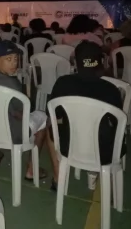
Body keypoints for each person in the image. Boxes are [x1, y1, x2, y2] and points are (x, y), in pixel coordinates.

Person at [47, 40, 125, 191]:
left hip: (68, 145)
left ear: (76, 62)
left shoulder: (62, 83)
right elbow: (116, 124)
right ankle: (102, 180)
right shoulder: (111, 89)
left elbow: (53, 116)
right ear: (100, 62)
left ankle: (58, 178)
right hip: (103, 150)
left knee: (50, 124)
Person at [0, 41, 48, 179]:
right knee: (43, 117)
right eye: (8, 59)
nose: (14, 63)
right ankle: (31, 168)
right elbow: (22, 113)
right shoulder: (13, 83)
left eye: (16, 59)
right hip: (13, 134)